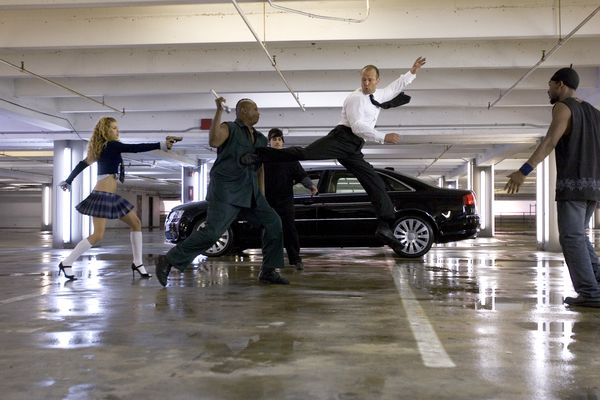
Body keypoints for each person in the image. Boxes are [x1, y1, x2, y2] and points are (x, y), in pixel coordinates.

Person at [241, 57, 427, 250]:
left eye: (370, 80)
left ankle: (384, 225)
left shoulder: (378, 94)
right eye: (363, 79)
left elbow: (395, 88)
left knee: (374, 181)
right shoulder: (355, 98)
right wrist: (383, 136)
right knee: (304, 153)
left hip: (354, 147)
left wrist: (412, 72)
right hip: (341, 138)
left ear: (377, 81)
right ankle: (259, 155)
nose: (366, 83)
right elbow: (357, 127)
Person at [154, 98, 289, 286]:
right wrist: (218, 111)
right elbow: (214, 140)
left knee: (273, 222)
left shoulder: (260, 139)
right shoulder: (230, 128)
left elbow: (260, 168)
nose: (259, 113)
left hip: (251, 193)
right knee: (212, 234)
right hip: (227, 191)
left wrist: (262, 196)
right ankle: (168, 260)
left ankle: (268, 270)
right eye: (255, 109)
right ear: (243, 111)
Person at [505, 66, 600, 308]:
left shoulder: (563, 107)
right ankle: (596, 284)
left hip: (573, 185)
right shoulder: (594, 112)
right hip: (592, 186)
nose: (548, 90)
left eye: (550, 85)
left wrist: (523, 171)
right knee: (579, 235)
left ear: (561, 85)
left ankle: (590, 292)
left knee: (571, 237)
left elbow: (549, 141)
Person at [57, 116, 182, 280]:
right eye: (114, 128)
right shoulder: (111, 145)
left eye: (117, 128)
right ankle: (66, 262)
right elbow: (135, 148)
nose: (117, 131)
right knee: (98, 235)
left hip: (110, 196)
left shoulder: (102, 147)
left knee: (136, 223)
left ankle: (138, 262)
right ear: (106, 130)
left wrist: (69, 180)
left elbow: (83, 163)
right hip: (102, 196)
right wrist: (161, 145)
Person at [264, 128, 318, 270]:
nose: (277, 142)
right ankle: (270, 262)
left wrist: (310, 186)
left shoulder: (290, 158)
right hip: (268, 202)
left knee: (289, 230)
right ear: (269, 142)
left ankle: (295, 259)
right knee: (270, 231)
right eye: (274, 139)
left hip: (285, 201)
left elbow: (301, 174)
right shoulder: (264, 158)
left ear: (283, 142)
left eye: (279, 139)